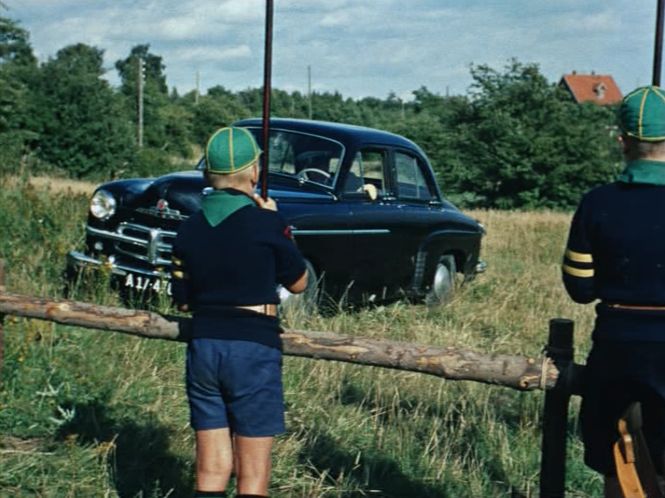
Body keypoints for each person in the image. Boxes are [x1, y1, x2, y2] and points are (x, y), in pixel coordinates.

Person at [171, 127, 308, 498]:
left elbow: (182, 300)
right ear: (254, 173)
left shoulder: (189, 228)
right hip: (252, 348)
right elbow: (298, 283)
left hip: (203, 347)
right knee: (252, 476)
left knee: (211, 470)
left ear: (207, 175)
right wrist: (281, 229)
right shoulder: (266, 223)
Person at [562, 86, 665, 497]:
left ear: (622, 141)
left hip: (617, 350)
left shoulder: (596, 203)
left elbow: (580, 288)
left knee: (617, 466)